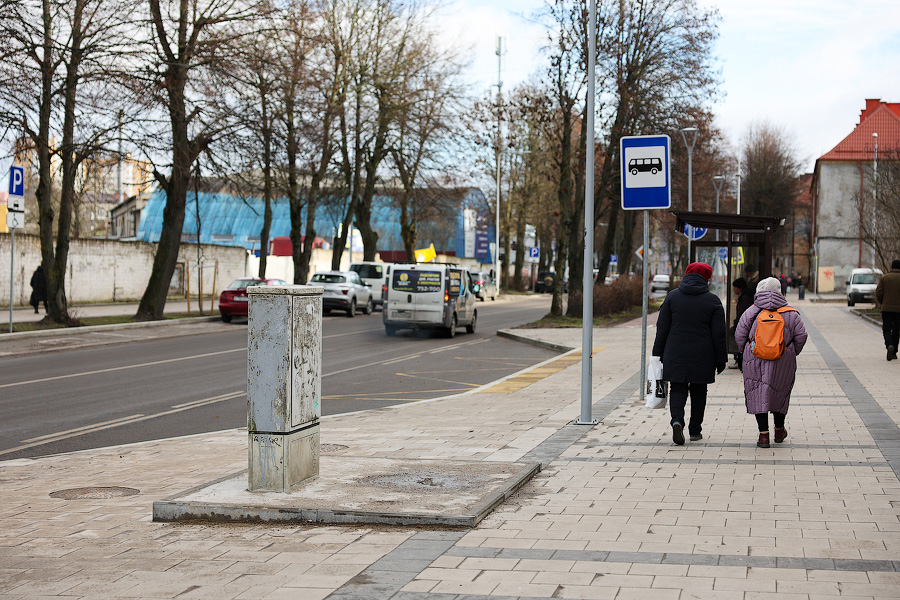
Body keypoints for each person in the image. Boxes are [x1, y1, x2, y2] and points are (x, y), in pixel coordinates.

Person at [652, 262, 728, 445]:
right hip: (703, 354)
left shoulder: (672, 297)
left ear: (687, 275)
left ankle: (677, 420)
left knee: (677, 388)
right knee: (699, 390)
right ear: (707, 278)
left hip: (675, 352)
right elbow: (719, 334)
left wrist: (657, 354)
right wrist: (721, 359)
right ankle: (695, 430)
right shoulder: (713, 301)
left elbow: (662, 328)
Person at [735, 277, 808, 448]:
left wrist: (746, 351)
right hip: (783, 359)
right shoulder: (791, 313)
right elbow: (802, 336)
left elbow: (739, 335)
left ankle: (763, 436)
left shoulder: (751, 312)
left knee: (758, 394)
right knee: (780, 393)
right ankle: (779, 430)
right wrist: (791, 351)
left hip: (755, 360)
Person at [875, 260, 900, 361]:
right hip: (899, 310)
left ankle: (889, 345)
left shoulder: (884, 278)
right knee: (896, 330)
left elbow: (879, 292)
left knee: (886, 328)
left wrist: (883, 302)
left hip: (886, 308)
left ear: (891, 268)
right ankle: (894, 352)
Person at [728, 277, 754, 370]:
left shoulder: (745, 298)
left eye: (735, 287)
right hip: (745, 325)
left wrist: (737, 324)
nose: (734, 290)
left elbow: (742, 312)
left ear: (740, 288)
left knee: (736, 339)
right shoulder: (746, 296)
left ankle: (738, 360)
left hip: (743, 325)